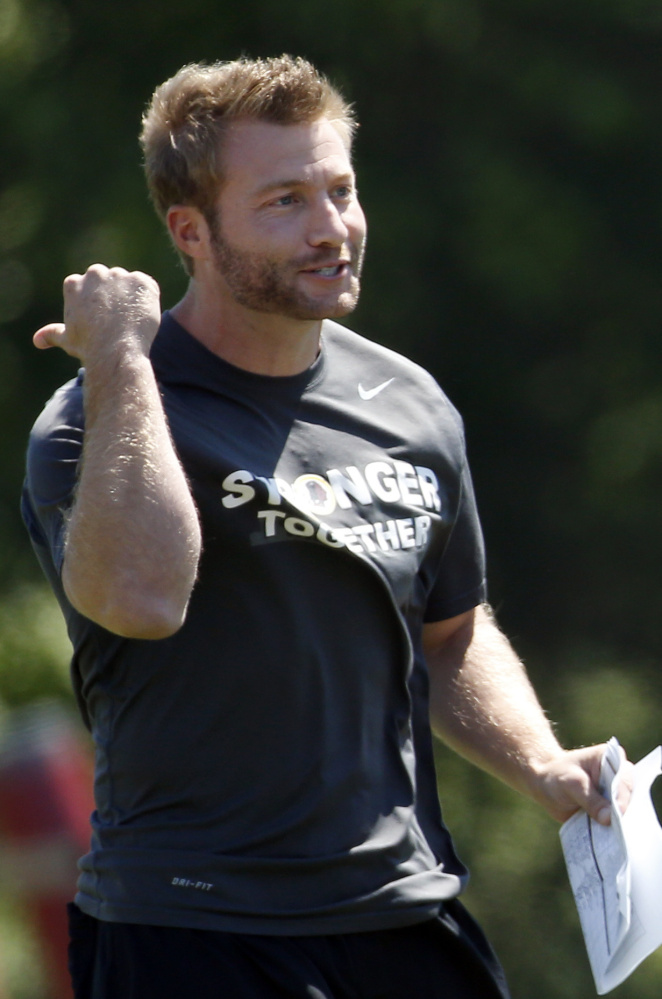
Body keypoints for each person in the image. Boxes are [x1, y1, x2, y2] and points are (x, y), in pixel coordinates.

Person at [21, 55, 632, 999]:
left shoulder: (410, 405)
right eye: (285, 201)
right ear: (190, 230)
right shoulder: (101, 417)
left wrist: (543, 764)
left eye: (341, 190)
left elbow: (450, 634)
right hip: (194, 928)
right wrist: (121, 363)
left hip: (403, 912)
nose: (331, 229)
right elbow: (138, 597)